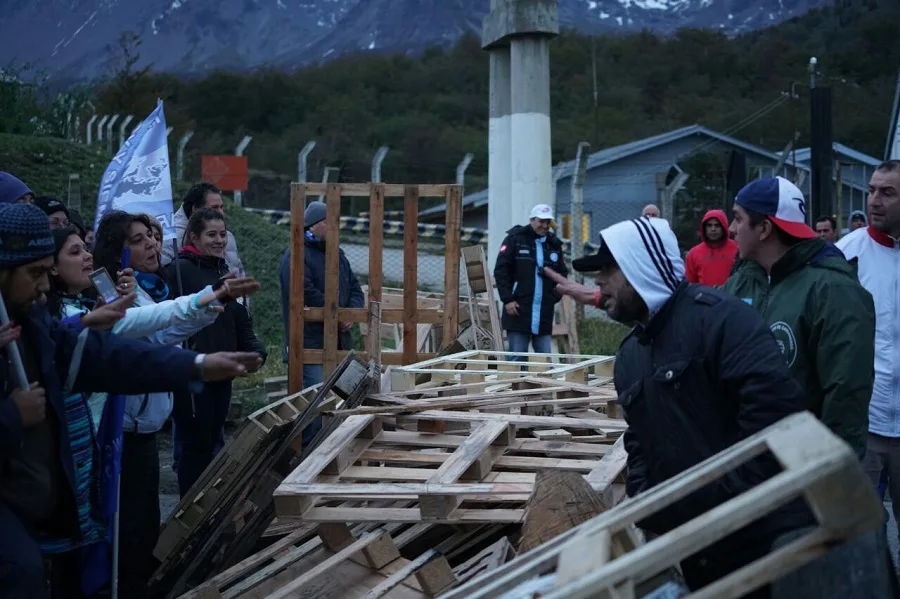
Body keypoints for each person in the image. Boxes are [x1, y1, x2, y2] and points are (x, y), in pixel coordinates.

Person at [0, 203, 260, 599]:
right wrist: (11, 416)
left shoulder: (33, 318)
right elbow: (131, 334)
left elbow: (111, 354)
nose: (41, 286)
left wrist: (198, 364)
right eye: (35, 273)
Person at [550, 215, 810, 596]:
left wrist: (714, 506)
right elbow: (638, 443)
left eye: (609, 268)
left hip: (767, 539)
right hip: (697, 549)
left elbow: (774, 422)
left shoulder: (723, 320)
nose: (599, 281)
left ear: (640, 265)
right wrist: (651, 504)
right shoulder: (629, 358)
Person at [92, 210, 261, 596]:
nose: (152, 243)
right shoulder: (106, 295)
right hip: (122, 432)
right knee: (128, 534)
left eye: (151, 237)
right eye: (138, 240)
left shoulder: (141, 288)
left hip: (145, 431)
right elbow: (148, 333)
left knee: (144, 529)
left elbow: (166, 328)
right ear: (115, 251)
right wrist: (209, 303)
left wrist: (208, 306)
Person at [723, 176, 875, 460]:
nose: (731, 230)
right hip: (744, 460)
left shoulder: (833, 290)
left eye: (738, 219)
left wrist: (830, 473)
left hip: (801, 466)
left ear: (764, 228)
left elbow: (846, 394)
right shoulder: (741, 281)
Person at [167, 208, 266, 496]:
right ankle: (186, 517)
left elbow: (238, 318)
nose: (219, 240)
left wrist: (254, 348)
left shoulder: (222, 268)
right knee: (194, 450)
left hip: (222, 374)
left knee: (213, 445)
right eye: (211, 234)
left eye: (223, 234)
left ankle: (207, 511)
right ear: (194, 236)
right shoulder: (180, 271)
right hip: (194, 375)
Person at [837, 160, 900, 516]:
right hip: (865, 426)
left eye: (888, 193)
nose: (874, 200)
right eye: (872, 190)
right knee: (862, 537)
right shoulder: (845, 254)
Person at [279, 201, 364, 443]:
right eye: (329, 221)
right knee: (313, 402)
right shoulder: (297, 255)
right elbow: (304, 292)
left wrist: (351, 312)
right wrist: (336, 315)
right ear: (314, 225)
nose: (334, 227)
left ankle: (331, 450)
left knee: (340, 398)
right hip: (309, 343)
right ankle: (306, 454)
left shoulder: (338, 254)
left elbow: (356, 289)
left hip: (338, 341)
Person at [493, 203, 568, 359]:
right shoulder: (515, 239)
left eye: (548, 222)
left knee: (544, 361)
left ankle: (544, 384)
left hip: (543, 313)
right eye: (541, 221)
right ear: (532, 220)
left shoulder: (554, 244)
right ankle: (515, 384)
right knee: (516, 358)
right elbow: (501, 271)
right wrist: (507, 300)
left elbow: (562, 276)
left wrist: (553, 297)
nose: (545, 226)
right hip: (518, 309)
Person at [162, 182, 245, 277]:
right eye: (214, 208)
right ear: (195, 209)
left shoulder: (228, 236)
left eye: (221, 207)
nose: (221, 213)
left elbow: (239, 275)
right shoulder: (171, 238)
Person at [684, 209, 738, 286]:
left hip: (732, 296)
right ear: (704, 228)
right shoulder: (693, 253)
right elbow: (690, 285)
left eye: (717, 225)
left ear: (724, 227)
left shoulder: (738, 249)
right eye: (709, 225)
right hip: (704, 297)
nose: (713, 229)